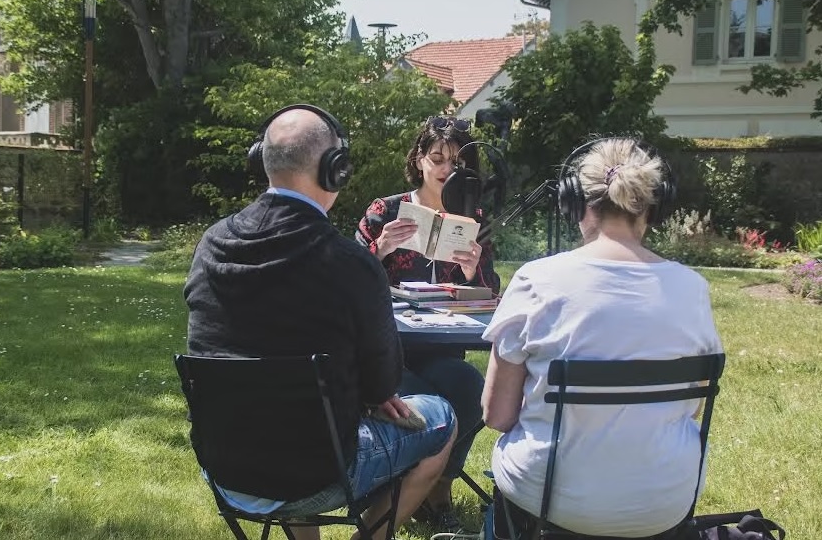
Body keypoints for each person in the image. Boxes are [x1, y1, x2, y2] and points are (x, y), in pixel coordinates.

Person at [184, 105, 457, 540]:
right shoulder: (348, 262)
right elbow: (383, 381)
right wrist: (375, 393)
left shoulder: (211, 245)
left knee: (297, 429)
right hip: (316, 472)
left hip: (224, 468)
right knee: (443, 416)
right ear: (336, 171)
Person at [481, 138, 723, 538]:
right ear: (654, 206)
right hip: (663, 507)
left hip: (548, 506)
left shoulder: (536, 280)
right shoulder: (691, 289)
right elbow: (692, 410)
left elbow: (497, 415)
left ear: (574, 203)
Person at [355, 114, 501, 530]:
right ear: (419, 159)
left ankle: (436, 485)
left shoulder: (472, 216)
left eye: (455, 163)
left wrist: (474, 271)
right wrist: (379, 250)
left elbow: (493, 294)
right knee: (430, 405)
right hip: (390, 346)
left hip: (442, 344)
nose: (445, 170)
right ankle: (418, 493)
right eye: (437, 158)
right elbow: (347, 281)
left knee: (471, 390)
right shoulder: (385, 211)